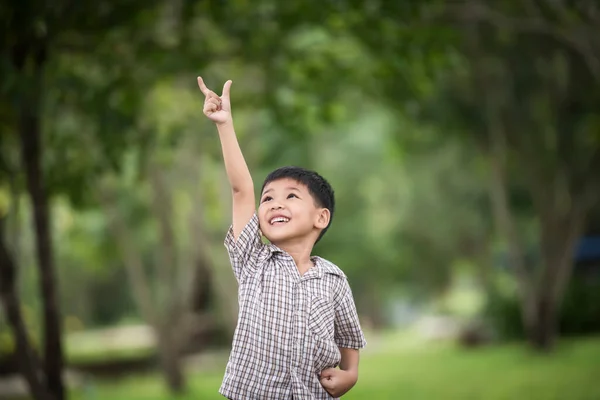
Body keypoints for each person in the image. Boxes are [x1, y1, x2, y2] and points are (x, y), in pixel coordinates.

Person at [197, 76, 366, 400]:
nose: (275, 203)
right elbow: (241, 188)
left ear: (321, 217)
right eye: (268, 198)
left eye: (291, 197)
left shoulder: (333, 279)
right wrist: (224, 124)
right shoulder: (253, 260)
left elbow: (348, 335)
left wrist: (351, 374)